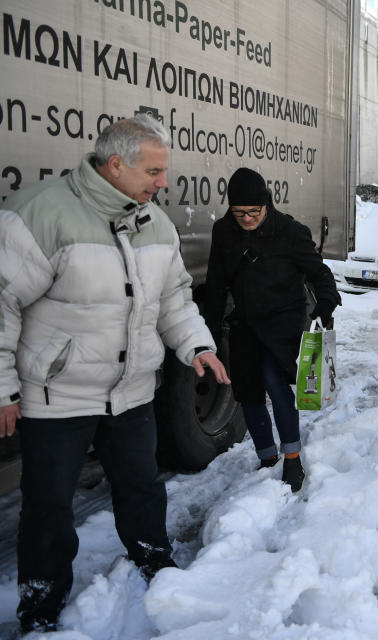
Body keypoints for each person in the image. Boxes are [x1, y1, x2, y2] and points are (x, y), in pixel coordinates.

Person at [0, 114, 229, 633]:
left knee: (142, 487)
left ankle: (153, 558)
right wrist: (3, 391)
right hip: (57, 396)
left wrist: (196, 345)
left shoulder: (156, 223)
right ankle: (41, 603)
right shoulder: (41, 214)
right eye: (153, 171)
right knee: (48, 508)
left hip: (130, 393)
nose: (162, 183)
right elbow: (2, 303)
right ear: (116, 163)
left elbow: (173, 298)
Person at [203, 167, 341, 493]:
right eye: (239, 212)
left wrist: (325, 305)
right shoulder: (224, 232)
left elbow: (318, 273)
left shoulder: (290, 232)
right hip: (246, 321)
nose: (247, 218)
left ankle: (292, 457)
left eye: (254, 211)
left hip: (283, 320)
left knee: (272, 380)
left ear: (267, 203)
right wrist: (207, 333)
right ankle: (267, 458)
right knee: (247, 391)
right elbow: (215, 285)